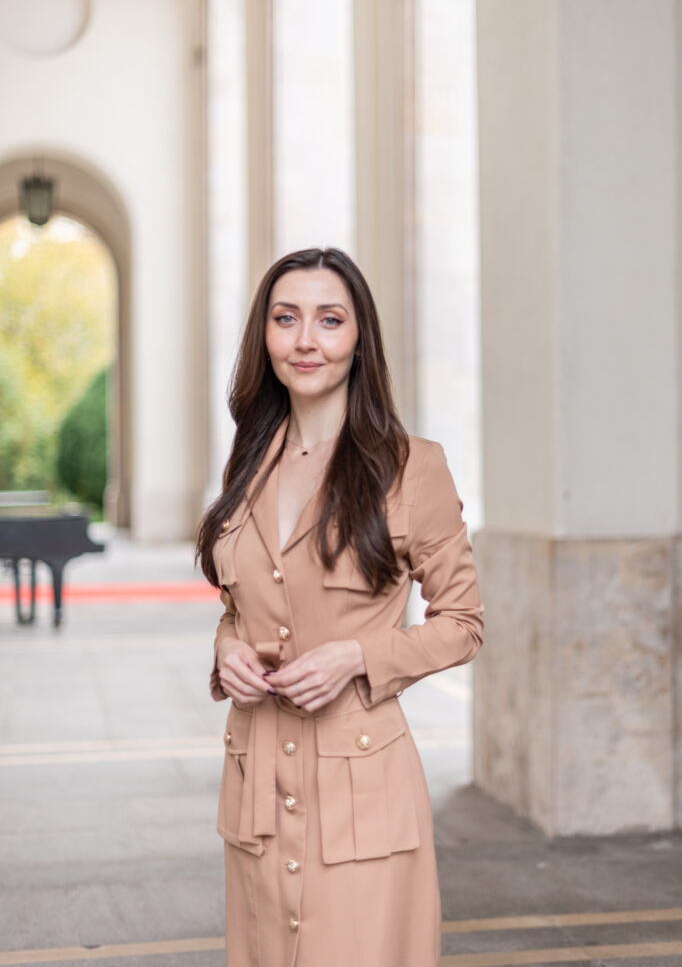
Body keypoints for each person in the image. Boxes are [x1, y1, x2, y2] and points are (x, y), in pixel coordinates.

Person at [195, 246, 484, 967]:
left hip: (363, 792)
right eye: (286, 318)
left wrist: (357, 657)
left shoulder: (412, 466)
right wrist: (227, 650)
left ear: (360, 338)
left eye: (330, 320)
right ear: (264, 336)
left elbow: (463, 623)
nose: (306, 341)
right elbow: (242, 606)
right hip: (256, 783)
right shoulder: (248, 462)